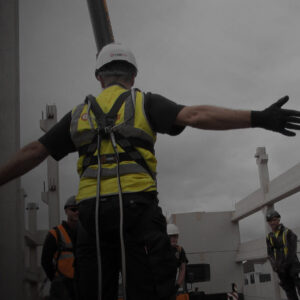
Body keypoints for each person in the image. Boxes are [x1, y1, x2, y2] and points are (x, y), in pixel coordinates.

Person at [1, 42, 300, 300]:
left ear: (98, 77)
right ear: (133, 75)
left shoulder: (78, 115)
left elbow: (34, 152)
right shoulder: (144, 102)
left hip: (92, 217)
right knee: (149, 290)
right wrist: (259, 117)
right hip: (138, 213)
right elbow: (197, 115)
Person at [41, 196, 78, 300]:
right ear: (66, 211)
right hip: (62, 287)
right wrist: (56, 279)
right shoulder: (55, 234)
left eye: (79, 209)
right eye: (73, 209)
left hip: (81, 284)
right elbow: (45, 261)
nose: (77, 212)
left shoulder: (86, 234)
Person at [266, 210, 300, 300]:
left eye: (274, 220)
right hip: (281, 270)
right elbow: (270, 253)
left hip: (293, 267)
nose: (272, 222)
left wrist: (285, 265)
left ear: (278, 220)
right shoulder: (269, 237)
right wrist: (275, 266)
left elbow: (292, 252)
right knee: (290, 293)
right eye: (270, 221)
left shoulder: (288, 232)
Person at [167, 224, 189, 300]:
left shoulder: (179, 250)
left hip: (171, 288)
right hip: (158, 287)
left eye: (175, 236)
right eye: (171, 236)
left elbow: (182, 269)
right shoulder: (160, 249)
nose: (174, 239)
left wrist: (177, 285)